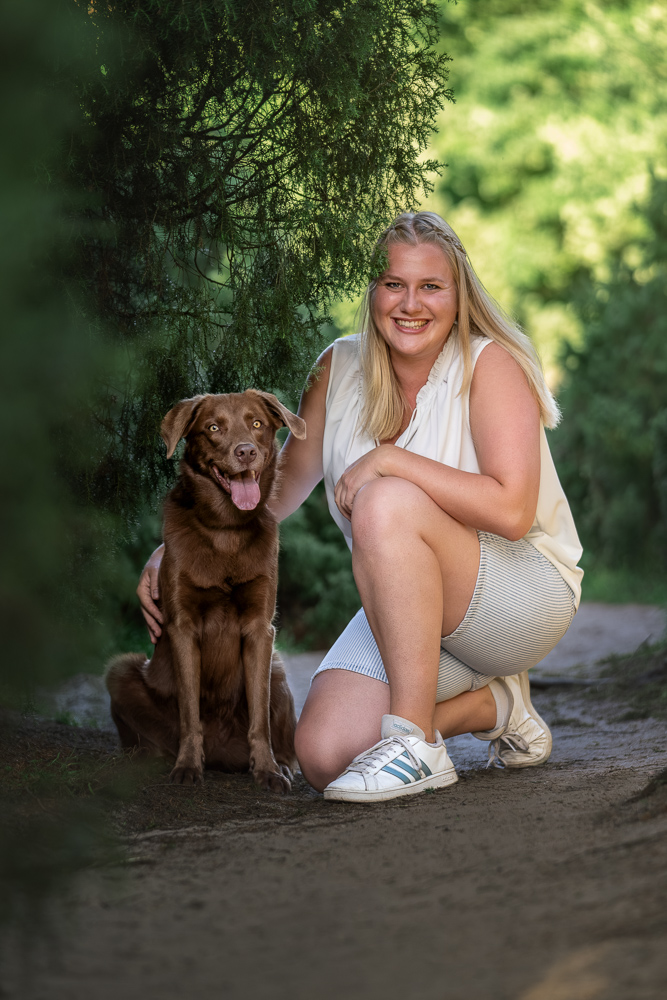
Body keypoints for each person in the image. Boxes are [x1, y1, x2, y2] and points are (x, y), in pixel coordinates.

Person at [138, 211, 583, 804]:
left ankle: (417, 745)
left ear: (459, 295)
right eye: (394, 284)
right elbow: (275, 490)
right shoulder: (338, 367)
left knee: (385, 500)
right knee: (323, 753)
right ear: (372, 291)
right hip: (409, 608)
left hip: (522, 596)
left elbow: (511, 510)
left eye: (431, 287)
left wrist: (389, 462)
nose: (411, 303)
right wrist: (175, 550)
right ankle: (495, 705)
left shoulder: (489, 364)